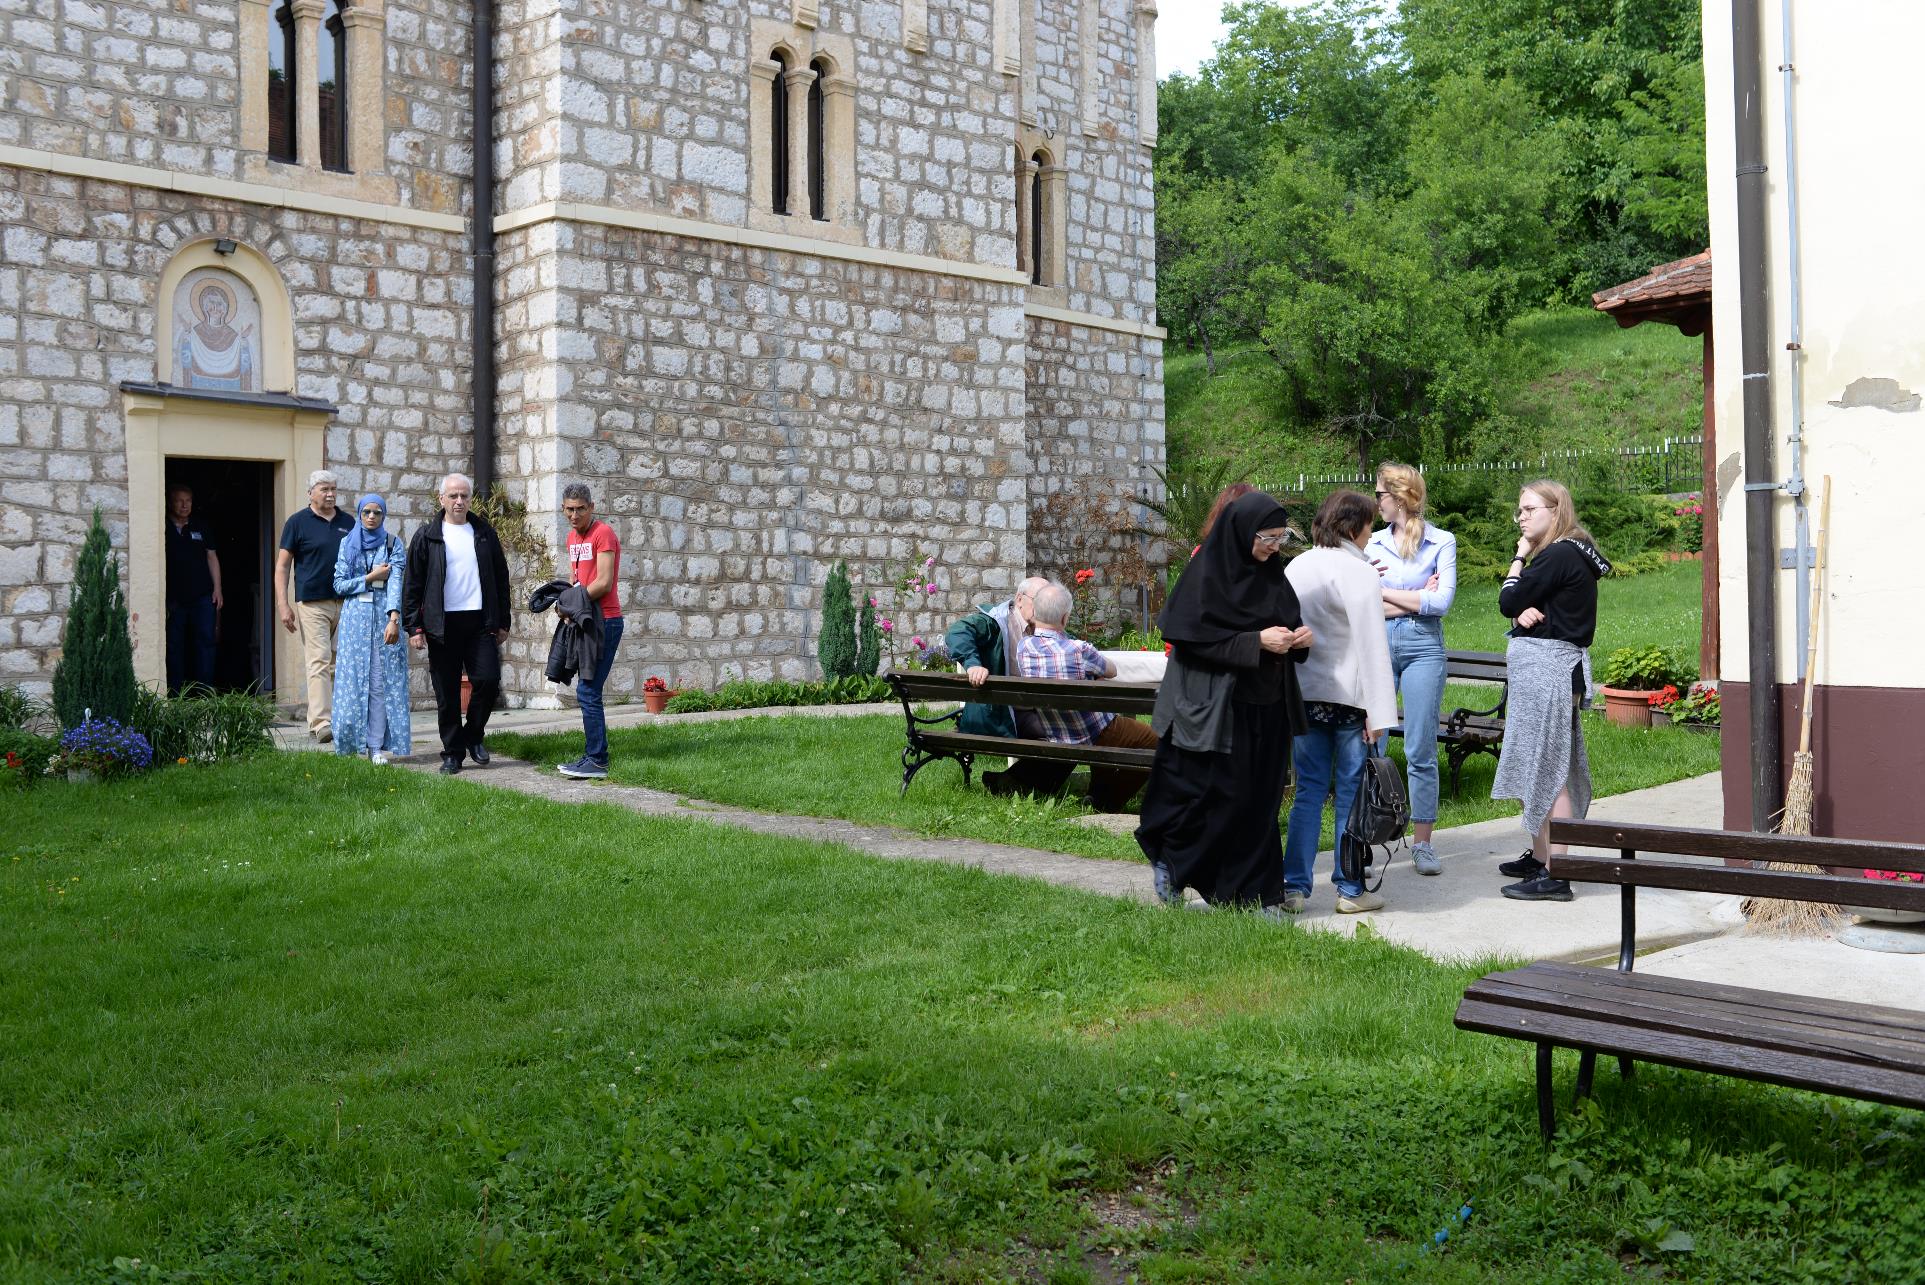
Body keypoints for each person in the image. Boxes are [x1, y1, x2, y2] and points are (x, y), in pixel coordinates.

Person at [1136, 491, 1312, 913]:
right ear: (1239, 532)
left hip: (1269, 706)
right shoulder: (1207, 573)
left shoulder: (1273, 576)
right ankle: (1176, 866)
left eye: (1280, 537)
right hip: (1222, 708)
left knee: (1262, 801)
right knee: (1225, 798)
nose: (1273, 546)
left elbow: (1287, 622)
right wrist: (1256, 642)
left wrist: (1300, 639)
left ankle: (1258, 896)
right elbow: (1190, 639)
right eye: (1266, 537)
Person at [1491, 480, 1612, 902]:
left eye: (1528, 509)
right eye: (1519, 510)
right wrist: (1526, 608)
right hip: (1550, 671)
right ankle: (1542, 858)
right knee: (1543, 767)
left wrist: (1519, 557)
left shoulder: (1559, 552)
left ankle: (1556, 873)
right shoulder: (1568, 553)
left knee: (1553, 771)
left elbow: (1508, 600)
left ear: (1555, 509)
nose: (1521, 517)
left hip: (1552, 674)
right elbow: (1524, 606)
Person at [1283, 490, 1400, 914]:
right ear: (1354, 527)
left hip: (1306, 693)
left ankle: (1293, 887)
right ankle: (1350, 889)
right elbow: (1372, 646)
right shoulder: (1359, 571)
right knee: (1351, 797)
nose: (1372, 533)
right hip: (1351, 699)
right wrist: (1379, 710)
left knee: (1308, 793)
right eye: (1370, 525)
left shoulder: (1297, 564)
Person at [1367, 463, 1457, 876]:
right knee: (1372, 744)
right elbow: (1364, 602)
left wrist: (1385, 593)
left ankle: (1422, 845)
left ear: (1400, 497)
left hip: (1424, 646)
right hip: (1379, 643)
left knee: (1421, 748)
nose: (1376, 502)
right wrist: (1416, 593)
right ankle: (1366, 839)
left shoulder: (1441, 541)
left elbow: (1441, 605)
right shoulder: (1372, 544)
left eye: (1381, 495)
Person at [403, 473, 512, 775]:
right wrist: (414, 627)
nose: (459, 501)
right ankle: (452, 753)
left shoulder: (484, 533)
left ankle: (473, 735)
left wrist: (504, 620)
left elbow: (501, 579)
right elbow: (412, 585)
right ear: (442, 499)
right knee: (447, 694)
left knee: (488, 681)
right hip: (442, 624)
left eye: (464, 496)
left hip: (479, 622)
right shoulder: (427, 536)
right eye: (453, 496)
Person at [1016, 581, 1158, 812]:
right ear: (1064, 619)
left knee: (1118, 734)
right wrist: (1092, 677)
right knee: (1155, 742)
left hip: (1057, 731)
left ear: (1034, 613)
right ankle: (1108, 800)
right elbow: (1111, 670)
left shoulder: (1024, 648)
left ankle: (1097, 793)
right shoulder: (1079, 649)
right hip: (1093, 730)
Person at [944, 575, 1069, 796]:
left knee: (1073, 730)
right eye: (1037, 601)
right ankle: (1020, 785)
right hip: (1001, 713)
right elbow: (957, 632)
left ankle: (1010, 782)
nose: (1043, 607)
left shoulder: (1046, 627)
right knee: (1069, 735)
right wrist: (973, 665)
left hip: (1035, 710)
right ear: (1019, 599)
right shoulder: (995, 623)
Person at [330, 494, 410, 764]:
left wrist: (394, 619)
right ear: (359, 514)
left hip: (383, 622)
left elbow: (396, 582)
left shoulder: (392, 544)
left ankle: (375, 746)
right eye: (367, 512)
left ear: (384, 516)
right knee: (352, 685)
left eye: (377, 512)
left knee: (378, 684)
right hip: (355, 624)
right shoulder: (347, 544)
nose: (372, 517)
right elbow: (339, 585)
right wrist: (370, 577)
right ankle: (351, 744)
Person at [276, 470, 355, 741]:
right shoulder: (297, 522)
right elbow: (282, 567)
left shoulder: (349, 522)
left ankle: (341, 718)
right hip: (312, 603)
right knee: (319, 661)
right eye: (324, 489)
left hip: (347, 602)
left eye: (333, 488)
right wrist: (283, 604)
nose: (330, 494)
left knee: (342, 663)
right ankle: (322, 724)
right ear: (311, 493)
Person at [557, 483, 624, 780]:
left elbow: (604, 582)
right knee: (586, 689)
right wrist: (568, 605)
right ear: (563, 509)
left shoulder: (603, 534)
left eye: (580, 509)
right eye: (569, 509)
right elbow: (578, 580)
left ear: (591, 507)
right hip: (585, 620)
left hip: (606, 621)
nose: (574, 514)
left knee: (588, 690)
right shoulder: (572, 537)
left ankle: (597, 760)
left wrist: (571, 603)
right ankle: (592, 755)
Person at [164, 483, 222, 694]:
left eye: (188, 500)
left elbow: (211, 556)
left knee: (206, 643)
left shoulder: (200, 526)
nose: (184, 505)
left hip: (202, 596)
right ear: (170, 503)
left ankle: (205, 691)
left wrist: (218, 589)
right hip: (173, 598)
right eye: (179, 500)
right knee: (174, 646)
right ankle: (175, 692)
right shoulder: (162, 526)